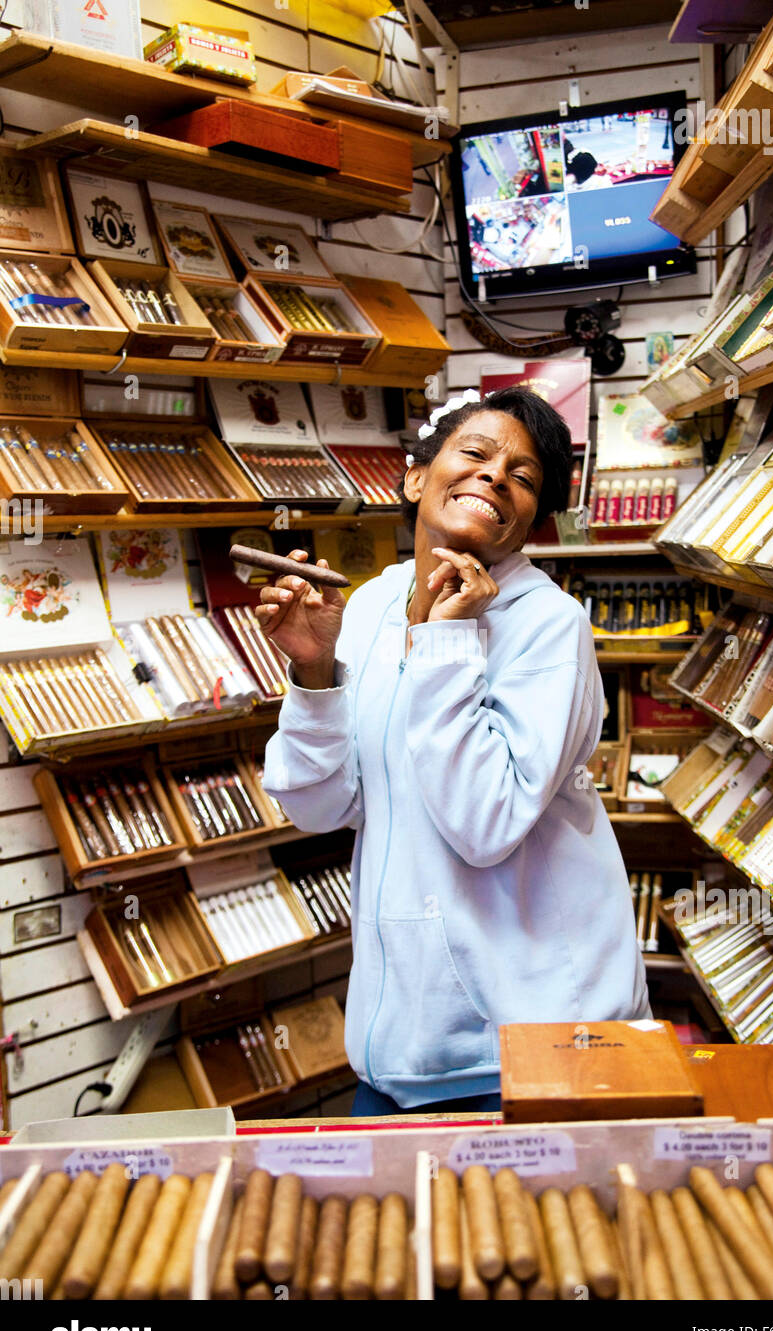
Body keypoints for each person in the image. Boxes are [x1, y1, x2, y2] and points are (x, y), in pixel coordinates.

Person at [259, 386, 650, 1117]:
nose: (496, 476)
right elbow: (320, 808)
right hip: (401, 1039)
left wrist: (445, 643)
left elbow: (485, 827)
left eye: (525, 478)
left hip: (537, 1040)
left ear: (533, 521)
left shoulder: (549, 628)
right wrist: (313, 675)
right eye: (474, 453)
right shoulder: (370, 606)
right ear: (415, 478)